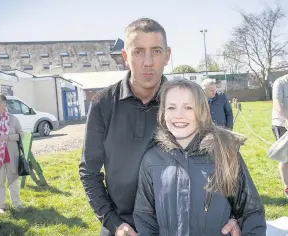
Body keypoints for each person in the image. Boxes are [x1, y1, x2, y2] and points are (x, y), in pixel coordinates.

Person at [79, 18, 241, 236]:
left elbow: (219, 158)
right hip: (123, 225)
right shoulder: (102, 103)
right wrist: (113, 222)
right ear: (125, 57)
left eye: (156, 51)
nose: (148, 61)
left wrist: (235, 215)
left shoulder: (185, 101)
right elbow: (89, 172)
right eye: (138, 52)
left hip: (180, 224)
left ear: (167, 55)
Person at [134, 79, 266, 235]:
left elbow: (251, 212)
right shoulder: (152, 160)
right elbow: (144, 216)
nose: (179, 115)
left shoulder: (225, 154)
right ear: (163, 114)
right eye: (171, 107)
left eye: (188, 107)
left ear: (203, 113)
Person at [0, 93, 24, 214]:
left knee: (13, 180)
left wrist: (8, 137)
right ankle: (1, 206)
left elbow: (20, 135)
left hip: (11, 154)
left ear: (5, 103)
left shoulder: (13, 119)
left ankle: (17, 203)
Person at [271, 74, 288, 198]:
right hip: (281, 124)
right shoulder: (280, 83)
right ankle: (287, 187)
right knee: (285, 157)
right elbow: (277, 104)